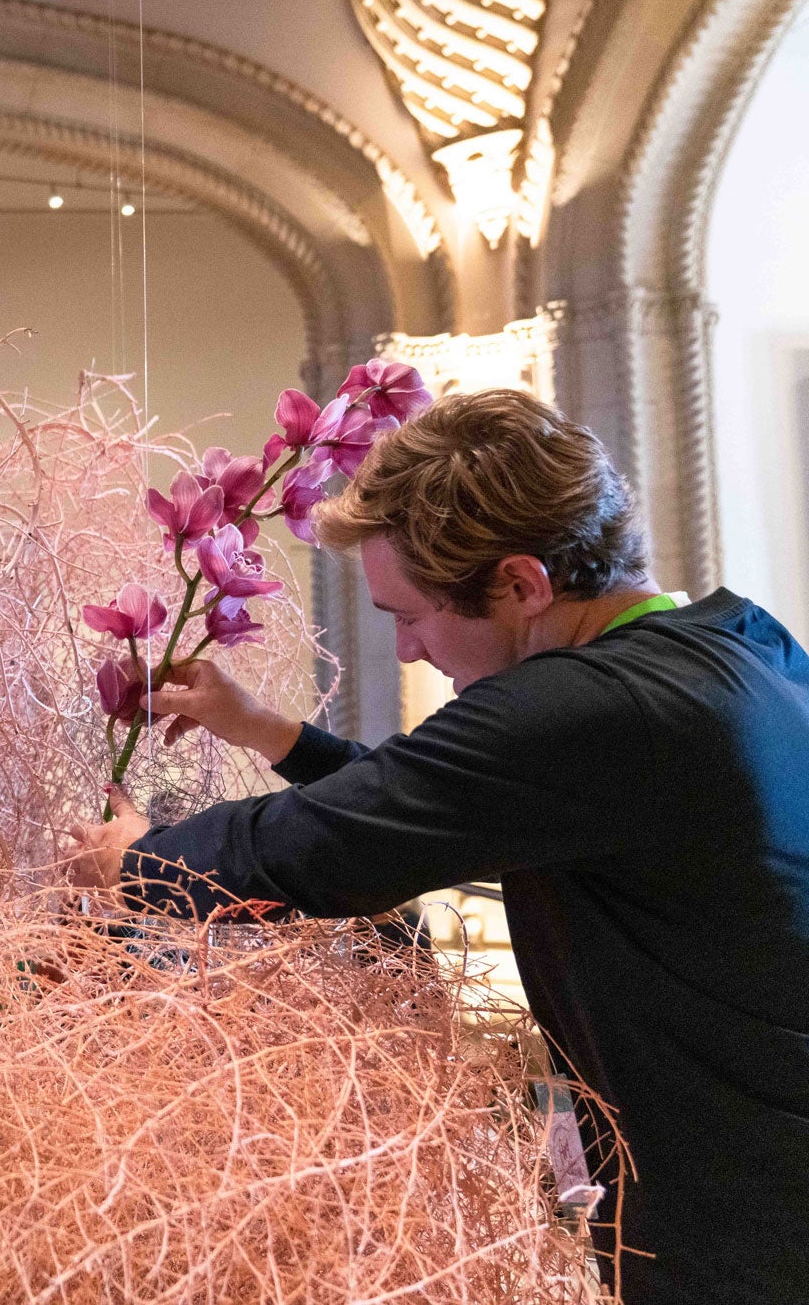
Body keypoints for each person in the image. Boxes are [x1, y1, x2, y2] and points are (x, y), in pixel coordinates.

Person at [67, 389, 809, 1304]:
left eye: (406, 616)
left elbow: (330, 848)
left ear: (523, 586)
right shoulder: (734, 647)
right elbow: (468, 798)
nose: (410, 651)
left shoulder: (587, 708)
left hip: (745, 1226)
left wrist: (140, 861)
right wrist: (269, 732)